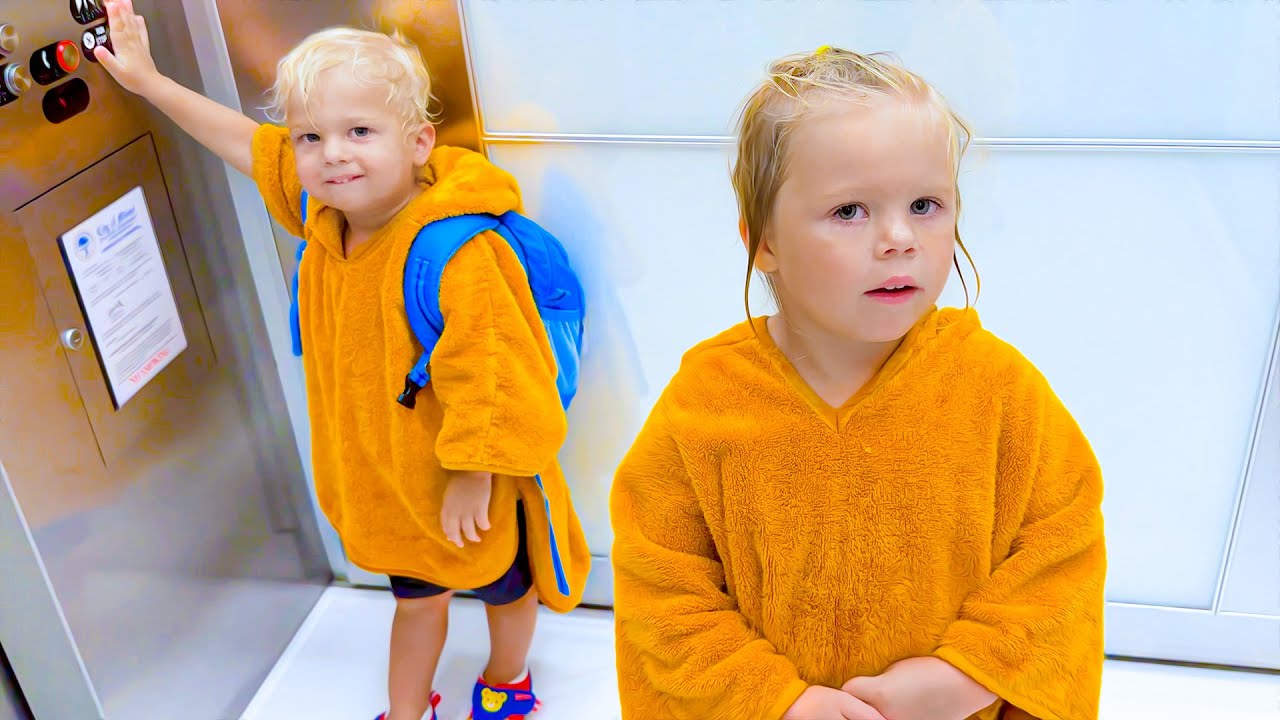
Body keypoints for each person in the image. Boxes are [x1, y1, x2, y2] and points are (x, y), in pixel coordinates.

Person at [93, 2, 591, 718]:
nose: (332, 154)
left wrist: (473, 475)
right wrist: (148, 81)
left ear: (418, 142)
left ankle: (508, 681)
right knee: (416, 603)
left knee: (506, 591)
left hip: (466, 482)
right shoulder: (326, 216)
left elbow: (495, 374)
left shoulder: (456, 253)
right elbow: (245, 142)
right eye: (311, 136)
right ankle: (407, 708)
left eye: (360, 132)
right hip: (393, 488)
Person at [611, 46, 1106, 720]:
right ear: (764, 241)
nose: (899, 238)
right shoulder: (705, 403)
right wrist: (774, 701)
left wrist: (971, 673)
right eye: (850, 211)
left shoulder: (998, 390)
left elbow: (1063, 550)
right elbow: (661, 589)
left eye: (926, 204)